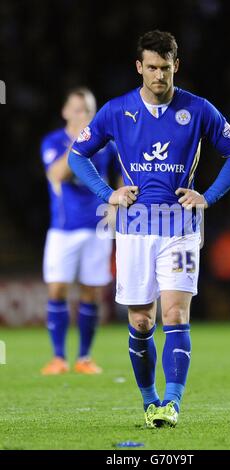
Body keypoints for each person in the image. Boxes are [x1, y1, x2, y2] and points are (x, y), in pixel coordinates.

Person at [68, 31, 230, 426]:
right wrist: (107, 193)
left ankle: (172, 403)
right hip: (134, 230)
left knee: (175, 313)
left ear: (175, 66)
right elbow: (78, 155)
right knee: (141, 321)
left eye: (165, 68)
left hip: (181, 228)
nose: (158, 75)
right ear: (139, 67)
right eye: (151, 67)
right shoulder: (117, 111)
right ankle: (150, 400)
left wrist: (208, 196)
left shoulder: (199, 110)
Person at [41, 87, 118, 375]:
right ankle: (58, 357)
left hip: (97, 227)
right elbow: (57, 174)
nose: (83, 115)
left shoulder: (107, 145)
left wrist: (117, 203)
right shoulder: (53, 141)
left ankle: (84, 357)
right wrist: (80, 142)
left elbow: (120, 177)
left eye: (88, 110)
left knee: (92, 292)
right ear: (65, 112)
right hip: (63, 228)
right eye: (77, 109)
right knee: (57, 288)